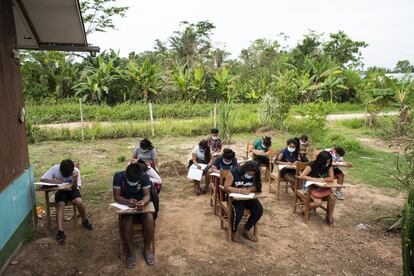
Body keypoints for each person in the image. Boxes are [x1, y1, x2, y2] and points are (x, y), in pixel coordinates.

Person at [113, 163, 156, 268]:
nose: (132, 183)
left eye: (135, 181)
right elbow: (117, 197)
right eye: (130, 181)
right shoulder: (118, 176)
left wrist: (143, 202)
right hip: (127, 205)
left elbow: (147, 195)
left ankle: (146, 250)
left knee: (150, 220)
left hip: (141, 205)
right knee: (126, 223)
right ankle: (131, 253)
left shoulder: (144, 176)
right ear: (125, 175)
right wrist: (127, 201)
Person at [40, 159, 93, 243]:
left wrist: (74, 180)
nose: (65, 176)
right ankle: (60, 231)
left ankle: (84, 220)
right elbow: (42, 180)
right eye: (63, 174)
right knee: (60, 205)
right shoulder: (55, 168)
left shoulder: (76, 171)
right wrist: (55, 181)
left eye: (67, 175)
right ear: (60, 169)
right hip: (60, 191)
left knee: (79, 202)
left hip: (72, 190)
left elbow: (75, 188)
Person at [224, 161, 263, 242]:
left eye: (252, 174)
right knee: (239, 211)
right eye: (249, 174)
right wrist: (239, 190)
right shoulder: (233, 172)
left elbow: (257, 187)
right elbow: (226, 187)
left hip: (248, 197)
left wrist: (249, 189)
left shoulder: (255, 174)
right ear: (244, 170)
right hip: (234, 197)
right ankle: (234, 231)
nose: (251, 176)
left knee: (258, 209)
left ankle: (247, 228)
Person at [299, 151, 336, 226]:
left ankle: (329, 216)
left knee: (332, 198)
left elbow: (331, 178)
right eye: (326, 161)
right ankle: (305, 209)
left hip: (322, 187)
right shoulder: (312, 165)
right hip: (310, 187)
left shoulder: (329, 166)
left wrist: (324, 179)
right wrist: (315, 179)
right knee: (318, 202)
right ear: (321, 160)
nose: (327, 163)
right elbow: (302, 176)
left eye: (329, 161)